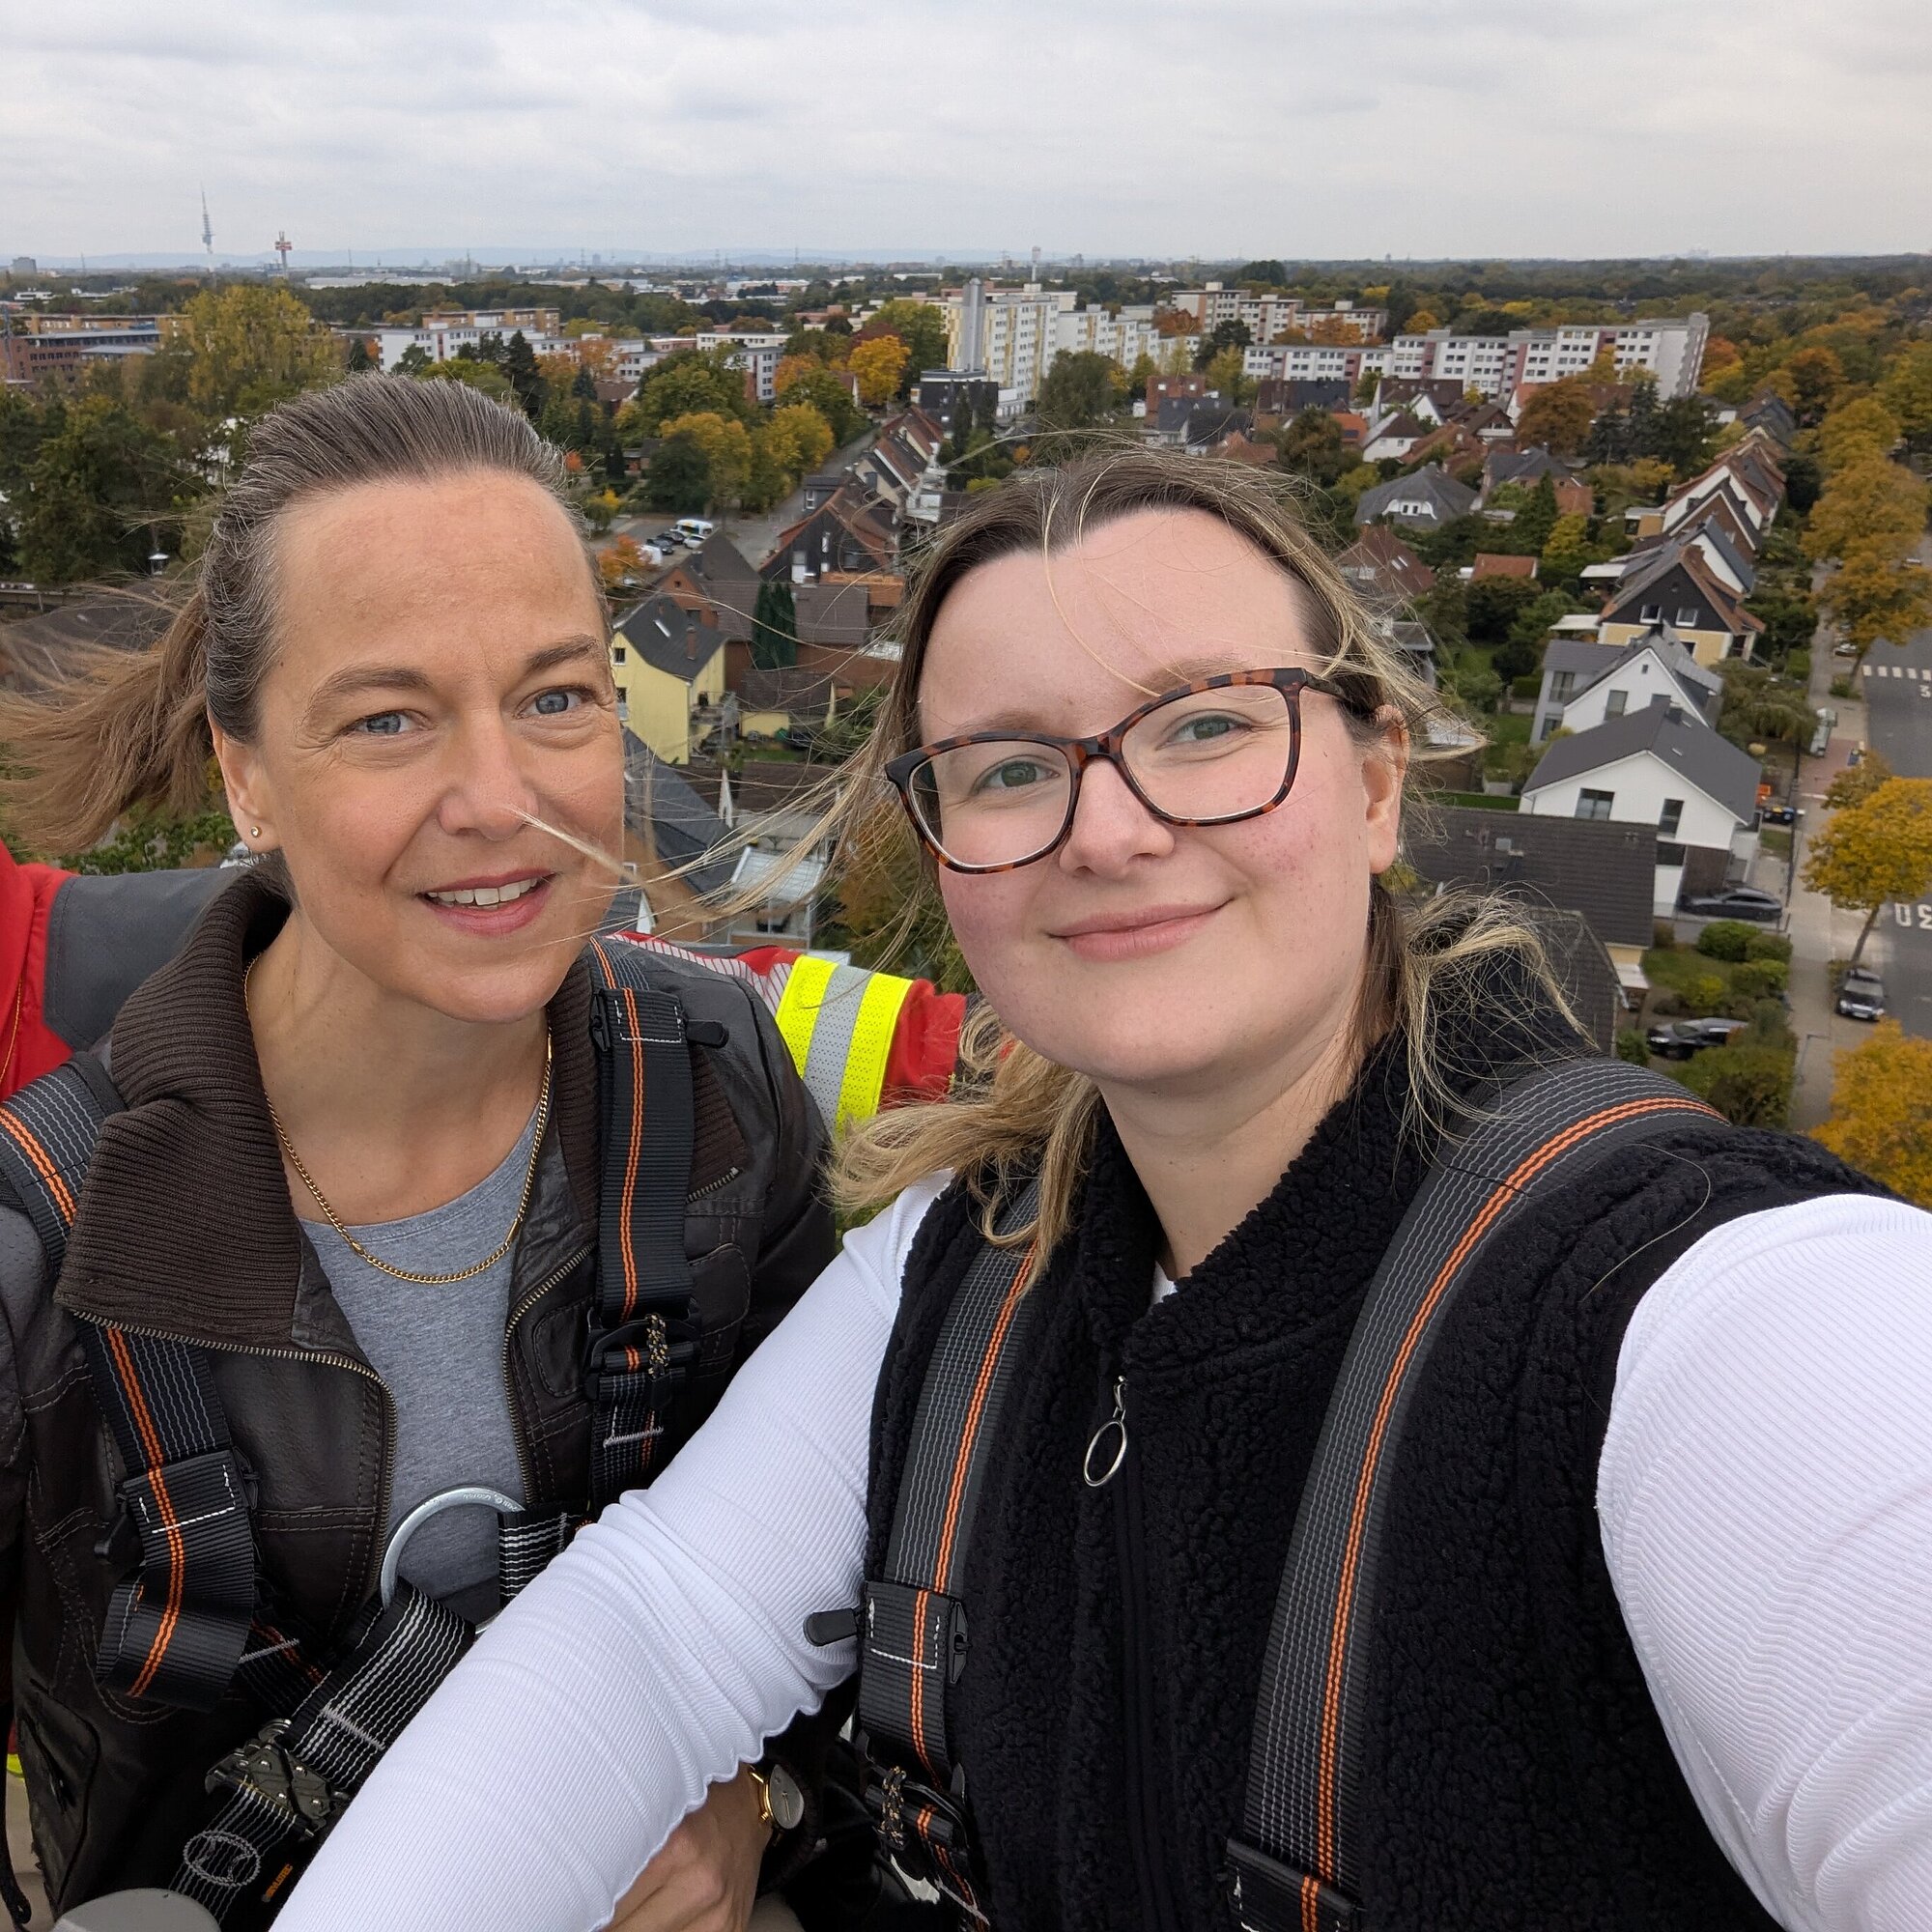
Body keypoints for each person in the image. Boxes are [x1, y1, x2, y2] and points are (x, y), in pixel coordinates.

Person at [283, 448, 1931, 1932]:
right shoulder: (966, 1279)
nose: (1109, 828)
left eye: (1206, 725)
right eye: (1008, 768)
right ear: (944, 855)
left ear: (1372, 781)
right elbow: (652, 1634)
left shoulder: (1694, 1315)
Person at [0, 374, 949, 1932]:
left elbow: (829, 1602)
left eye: (558, 698)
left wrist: (754, 1803)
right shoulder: (45, 1251)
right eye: (388, 720)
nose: (500, 802)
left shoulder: (712, 1094)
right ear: (247, 775)